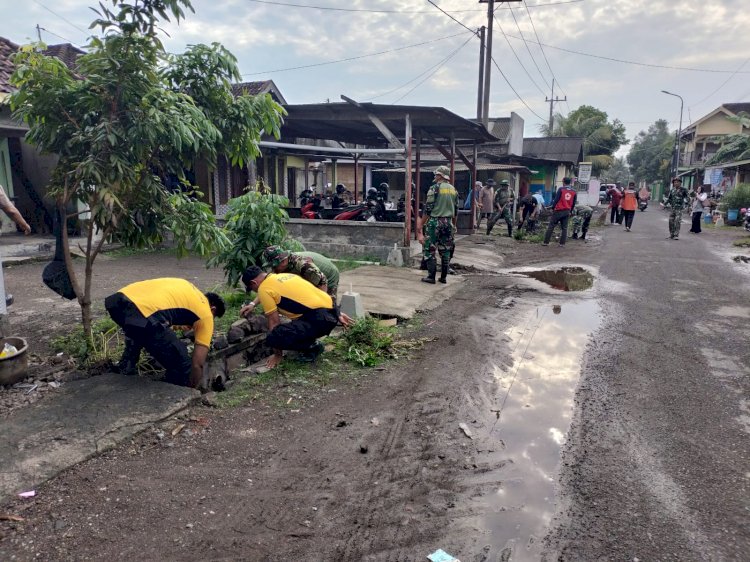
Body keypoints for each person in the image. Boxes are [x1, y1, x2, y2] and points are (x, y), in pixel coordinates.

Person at [104, 278, 225, 388]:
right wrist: (197, 388)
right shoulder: (206, 314)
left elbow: (162, 308)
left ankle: (125, 368)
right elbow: (198, 363)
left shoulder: (187, 287)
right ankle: (181, 395)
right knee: (183, 366)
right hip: (142, 312)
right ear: (212, 309)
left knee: (140, 330)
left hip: (117, 302)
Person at [240, 266, 352, 368]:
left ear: (253, 282)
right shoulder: (286, 276)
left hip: (320, 320)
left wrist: (277, 354)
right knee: (295, 320)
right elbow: (310, 297)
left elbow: (274, 322)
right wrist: (337, 313)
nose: (256, 292)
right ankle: (310, 341)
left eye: (253, 289)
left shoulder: (264, 289)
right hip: (332, 311)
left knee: (274, 335)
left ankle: (312, 347)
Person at [244, 246, 340, 315]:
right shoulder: (279, 267)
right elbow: (267, 286)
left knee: (328, 309)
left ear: (284, 261)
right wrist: (253, 304)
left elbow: (322, 282)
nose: (273, 269)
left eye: (274, 266)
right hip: (309, 276)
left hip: (328, 276)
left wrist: (321, 308)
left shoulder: (303, 266)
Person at [417, 165, 458, 285]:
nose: (434, 176)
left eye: (436, 174)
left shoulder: (435, 188)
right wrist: (454, 225)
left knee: (429, 249)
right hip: (448, 222)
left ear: (440, 176)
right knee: (445, 249)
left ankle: (431, 277)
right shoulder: (453, 190)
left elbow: (428, 209)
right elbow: (456, 211)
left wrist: (421, 225)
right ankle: (443, 277)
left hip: (435, 222)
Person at [543, 177, 577, 246]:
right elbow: (573, 203)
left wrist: (552, 208)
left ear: (564, 182)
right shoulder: (574, 191)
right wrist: (571, 210)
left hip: (558, 210)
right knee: (564, 228)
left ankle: (546, 242)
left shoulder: (561, 189)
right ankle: (562, 243)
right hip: (567, 211)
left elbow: (556, 199)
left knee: (551, 226)